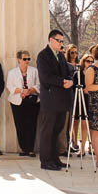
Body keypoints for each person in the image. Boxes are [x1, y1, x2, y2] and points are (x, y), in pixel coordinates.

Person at [36, 29, 75, 170]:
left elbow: (68, 72)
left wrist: (70, 80)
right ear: (51, 40)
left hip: (62, 100)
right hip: (50, 99)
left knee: (57, 131)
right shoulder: (43, 56)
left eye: (62, 41)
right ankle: (46, 161)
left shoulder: (61, 56)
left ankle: (55, 159)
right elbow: (46, 77)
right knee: (47, 131)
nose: (61, 44)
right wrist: (62, 82)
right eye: (59, 41)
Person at [6, 50, 40, 156]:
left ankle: (30, 149)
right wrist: (21, 91)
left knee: (31, 124)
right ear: (19, 60)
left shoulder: (34, 71)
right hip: (17, 101)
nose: (27, 61)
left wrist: (29, 90)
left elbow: (39, 84)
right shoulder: (12, 72)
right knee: (20, 124)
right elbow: (9, 86)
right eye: (25, 59)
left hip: (32, 100)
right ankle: (23, 148)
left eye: (28, 59)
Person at [70, 52, 93, 155]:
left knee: (87, 125)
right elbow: (73, 88)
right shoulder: (78, 74)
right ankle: (79, 146)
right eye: (88, 61)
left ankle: (87, 147)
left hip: (91, 101)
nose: (90, 63)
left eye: (92, 61)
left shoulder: (94, 73)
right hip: (80, 100)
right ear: (84, 62)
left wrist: (91, 90)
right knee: (80, 124)